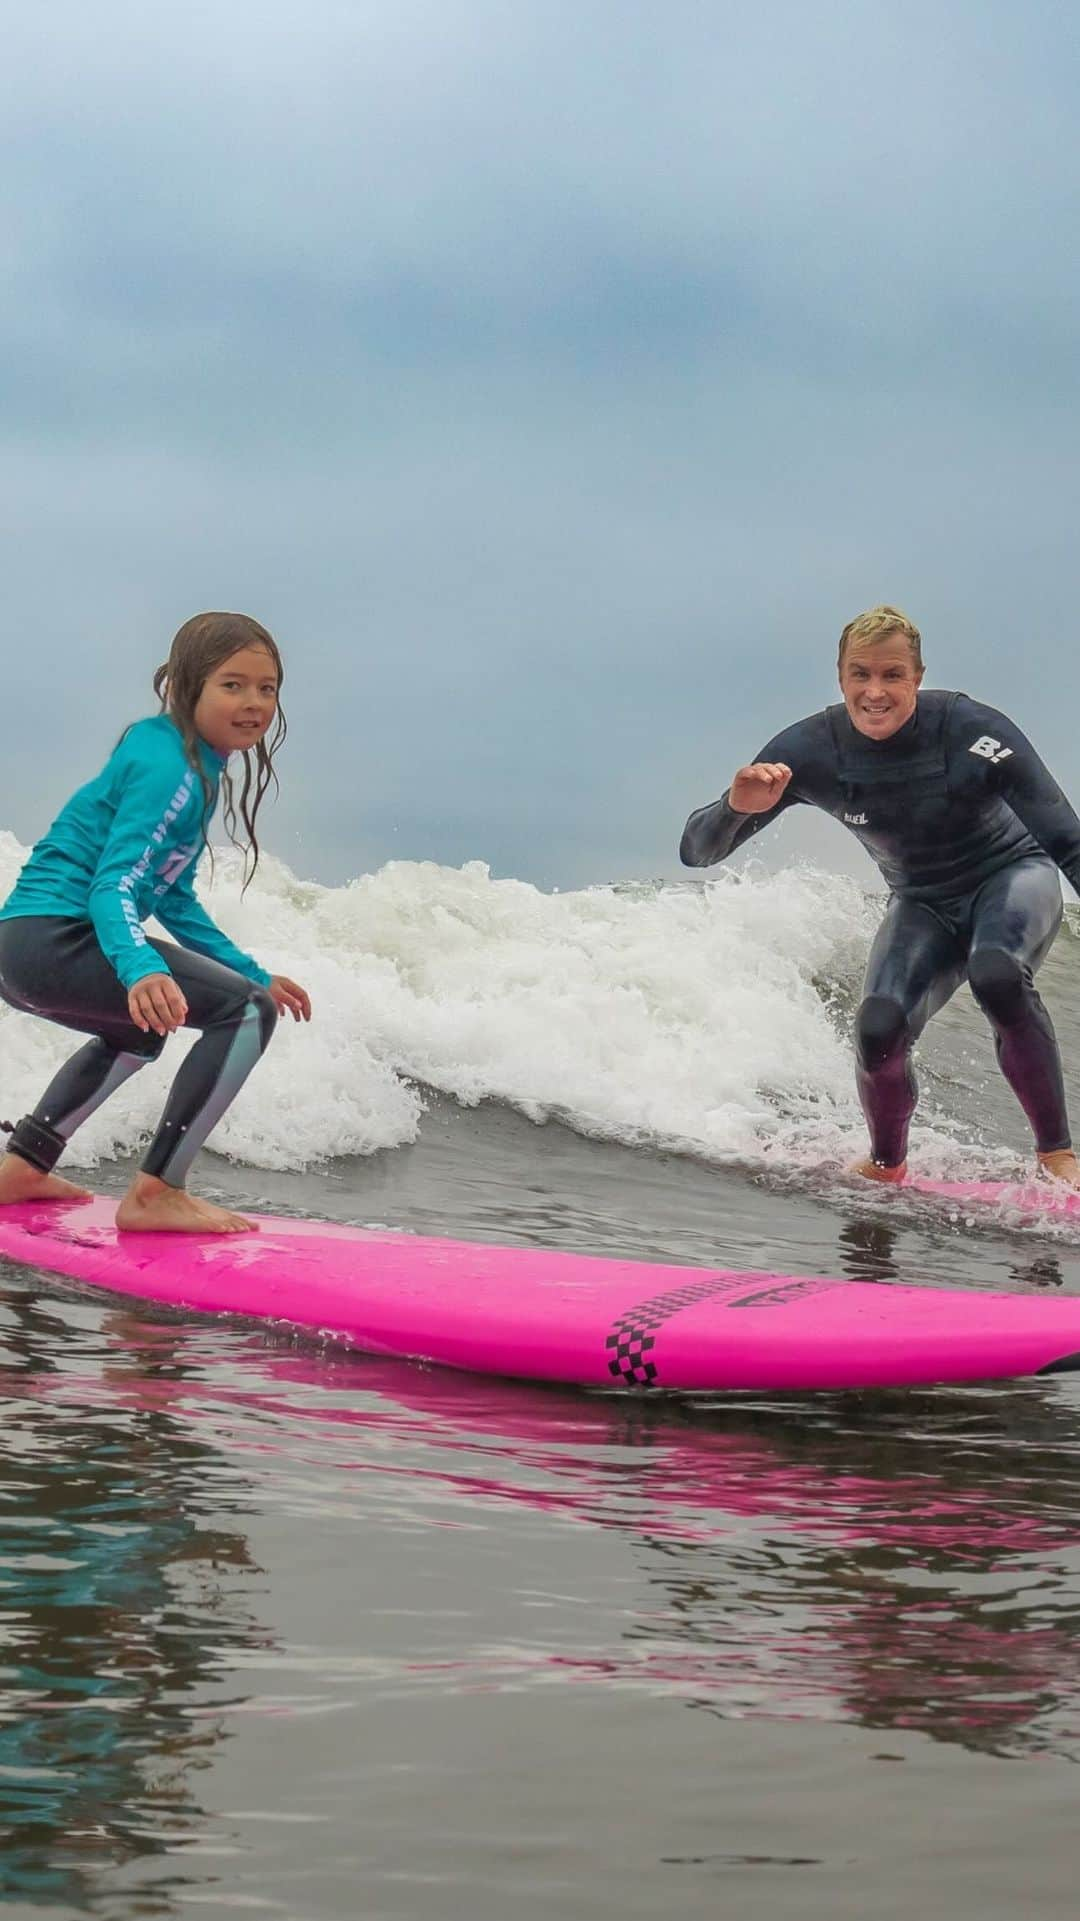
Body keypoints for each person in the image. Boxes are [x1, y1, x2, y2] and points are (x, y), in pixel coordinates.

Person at [680, 605, 1080, 1187]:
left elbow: (1067, 840)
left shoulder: (972, 729)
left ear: (917, 677)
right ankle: (886, 1165)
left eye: (892, 675)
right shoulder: (809, 750)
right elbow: (698, 852)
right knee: (878, 1026)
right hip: (921, 898)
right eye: (860, 674)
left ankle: (1057, 1156)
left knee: (996, 972)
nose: (875, 691)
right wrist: (734, 807)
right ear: (840, 677)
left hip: (1014, 873)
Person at [0, 611, 311, 1233]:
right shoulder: (171, 768)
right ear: (189, 687)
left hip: (22, 948)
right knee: (247, 1013)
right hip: (56, 937)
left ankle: (23, 1167)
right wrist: (140, 967)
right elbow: (112, 884)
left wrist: (250, 971)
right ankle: (156, 1193)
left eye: (267, 688)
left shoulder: (183, 760)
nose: (253, 703)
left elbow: (171, 897)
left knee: (143, 1029)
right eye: (232, 685)